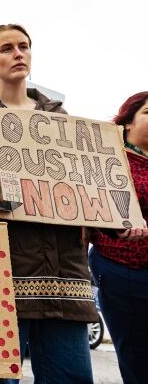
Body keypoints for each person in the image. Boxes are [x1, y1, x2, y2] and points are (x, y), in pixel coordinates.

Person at [0, 24, 97, 384]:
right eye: (6, 49)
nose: (18, 53)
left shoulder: (61, 120)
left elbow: (85, 189)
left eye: (24, 46)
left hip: (62, 273)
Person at [88, 92, 148, 384]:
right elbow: (92, 209)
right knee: (137, 356)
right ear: (127, 124)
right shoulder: (108, 161)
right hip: (122, 269)